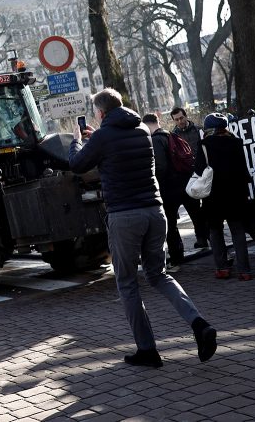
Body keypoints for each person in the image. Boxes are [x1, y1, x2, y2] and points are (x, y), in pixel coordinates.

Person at [70, 88, 217, 367]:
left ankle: (148, 350)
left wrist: (77, 142)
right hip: (154, 210)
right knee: (159, 275)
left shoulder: (101, 136)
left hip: (124, 215)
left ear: (100, 113)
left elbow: (77, 164)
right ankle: (199, 324)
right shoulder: (141, 130)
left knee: (126, 282)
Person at [197, 113, 252, 281]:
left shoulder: (204, 145)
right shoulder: (236, 142)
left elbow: (199, 170)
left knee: (215, 231)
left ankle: (222, 268)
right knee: (237, 231)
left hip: (213, 197)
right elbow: (244, 170)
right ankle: (245, 271)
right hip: (235, 194)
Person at [143, 114, 187, 269]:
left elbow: (160, 167)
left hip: (167, 188)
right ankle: (179, 254)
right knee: (173, 223)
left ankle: (176, 258)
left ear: (147, 125)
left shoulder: (155, 140)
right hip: (179, 184)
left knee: (169, 225)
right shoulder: (169, 134)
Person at [169, 108, 211, 248]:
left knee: (204, 209)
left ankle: (208, 236)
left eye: (181, 118)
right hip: (186, 177)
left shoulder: (198, 130)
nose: (180, 121)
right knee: (195, 210)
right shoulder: (173, 136)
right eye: (177, 119)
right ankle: (202, 238)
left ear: (186, 116)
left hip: (203, 173)